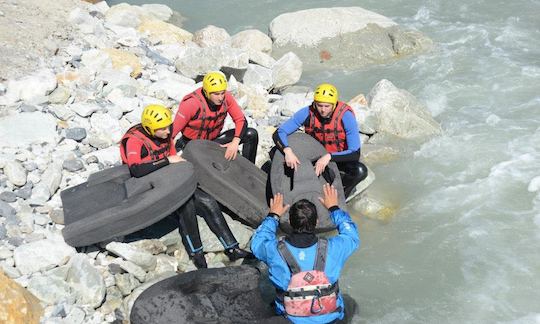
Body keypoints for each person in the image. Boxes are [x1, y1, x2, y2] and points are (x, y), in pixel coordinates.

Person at [120, 104, 252, 269]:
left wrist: (178, 164)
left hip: (169, 179)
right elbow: (137, 170)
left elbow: (172, 155)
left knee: (208, 202)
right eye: (163, 129)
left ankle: (232, 248)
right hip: (149, 187)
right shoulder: (134, 140)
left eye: (169, 127)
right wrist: (167, 161)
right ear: (150, 129)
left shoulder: (165, 133)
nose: (168, 132)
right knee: (186, 206)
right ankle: (196, 253)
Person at [251, 184, 360, 323]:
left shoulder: (274, 250)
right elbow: (352, 235)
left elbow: (257, 243)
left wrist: (273, 216)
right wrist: (334, 208)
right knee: (351, 302)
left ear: (290, 222)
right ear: (317, 222)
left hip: (290, 319)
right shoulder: (334, 248)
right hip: (331, 319)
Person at [273, 83, 368, 197]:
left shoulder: (346, 116)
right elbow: (279, 132)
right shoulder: (308, 112)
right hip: (315, 156)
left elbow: (355, 153)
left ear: (334, 104)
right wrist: (287, 151)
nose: (323, 110)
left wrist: (328, 157)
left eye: (327, 106)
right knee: (278, 152)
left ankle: (339, 197)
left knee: (360, 171)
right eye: (319, 105)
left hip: (338, 159)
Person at [172, 71, 259, 163]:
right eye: (216, 94)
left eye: (222, 93)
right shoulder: (191, 104)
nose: (221, 98)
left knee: (251, 134)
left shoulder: (226, 98)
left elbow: (241, 120)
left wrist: (235, 142)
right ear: (206, 92)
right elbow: (171, 134)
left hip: (213, 142)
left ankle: (249, 170)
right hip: (191, 145)